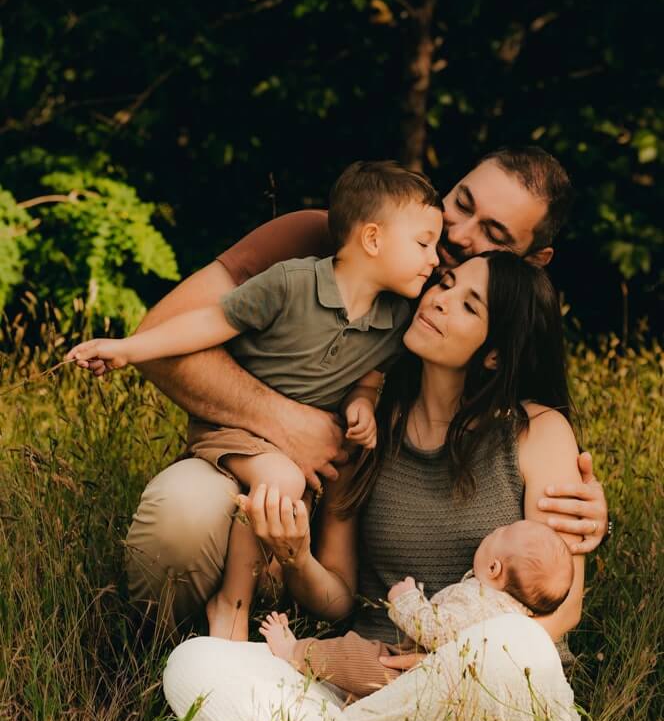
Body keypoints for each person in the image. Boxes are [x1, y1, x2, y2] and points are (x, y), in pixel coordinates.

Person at [126, 146, 607, 640]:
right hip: (255, 470)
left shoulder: (505, 330)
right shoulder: (336, 238)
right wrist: (285, 422)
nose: (460, 236)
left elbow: (531, 470)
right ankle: (162, 651)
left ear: (535, 260)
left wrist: (589, 519)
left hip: (342, 544)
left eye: (494, 234)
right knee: (182, 511)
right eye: (462, 203)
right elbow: (158, 338)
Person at [162, 251, 595, 721]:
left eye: (468, 305)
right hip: (366, 677)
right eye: (445, 283)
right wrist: (297, 558)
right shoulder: (365, 426)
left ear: (495, 355)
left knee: (517, 645)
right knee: (194, 664)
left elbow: (562, 609)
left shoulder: (537, 432)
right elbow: (337, 599)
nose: (437, 300)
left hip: (488, 682)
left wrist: (452, 665)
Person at [67, 161, 442, 638]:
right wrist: (127, 349)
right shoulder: (290, 282)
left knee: (284, 493)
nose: (434, 259)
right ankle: (231, 606)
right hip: (232, 433)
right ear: (372, 239)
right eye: (423, 243)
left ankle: (254, 612)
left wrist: (362, 406)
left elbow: (367, 380)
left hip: (293, 464)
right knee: (280, 477)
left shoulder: (394, 321)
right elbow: (209, 323)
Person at [258, 520, 574, 701]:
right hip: (444, 685)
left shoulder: (480, 601)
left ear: (494, 568)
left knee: (356, 656)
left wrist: (407, 599)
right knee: (368, 684)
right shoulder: (515, 617)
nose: (494, 530)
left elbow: (438, 632)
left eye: (498, 534)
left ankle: (294, 651)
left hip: (412, 673)